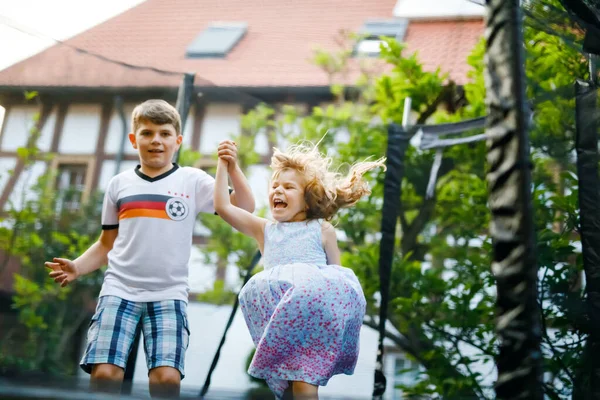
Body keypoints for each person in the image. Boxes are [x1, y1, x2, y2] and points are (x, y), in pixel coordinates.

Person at [44, 99, 254, 398]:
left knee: (166, 380)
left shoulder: (192, 181)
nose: (156, 140)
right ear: (134, 139)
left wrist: (232, 168)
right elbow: (107, 244)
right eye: (147, 133)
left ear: (177, 141)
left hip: (168, 293)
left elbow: (244, 207)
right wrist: (78, 266)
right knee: (105, 373)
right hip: (120, 290)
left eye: (165, 133)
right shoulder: (120, 184)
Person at [214, 142, 385, 399]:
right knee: (286, 391)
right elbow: (224, 207)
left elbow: (337, 279)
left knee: (304, 385)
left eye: (288, 187)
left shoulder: (322, 229)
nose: (278, 191)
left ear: (307, 200)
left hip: (313, 324)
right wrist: (227, 166)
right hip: (283, 325)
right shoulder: (265, 230)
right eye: (275, 186)